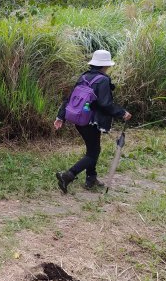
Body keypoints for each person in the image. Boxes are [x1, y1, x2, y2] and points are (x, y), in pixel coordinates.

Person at [54, 50, 132, 193]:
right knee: (93, 153)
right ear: (105, 65)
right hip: (92, 122)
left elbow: (70, 98)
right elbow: (105, 104)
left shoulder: (84, 76)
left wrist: (61, 116)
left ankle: (91, 179)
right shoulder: (103, 80)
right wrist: (122, 113)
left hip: (78, 119)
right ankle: (68, 175)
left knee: (92, 149)